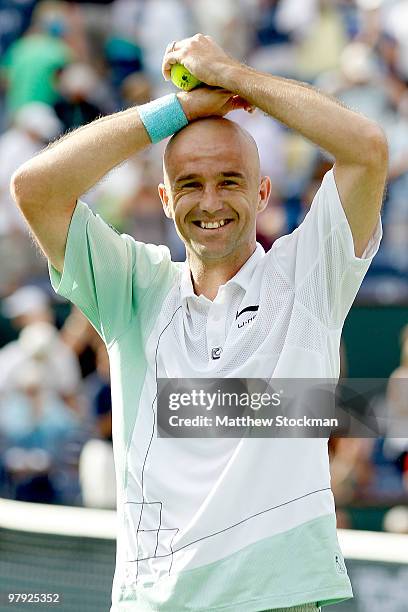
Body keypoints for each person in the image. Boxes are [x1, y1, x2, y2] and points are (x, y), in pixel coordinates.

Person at [11, 33, 387, 612]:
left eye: (230, 181)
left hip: (283, 600)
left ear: (262, 192)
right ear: (164, 199)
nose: (210, 201)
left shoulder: (311, 274)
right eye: (190, 184)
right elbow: (35, 187)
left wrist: (234, 76)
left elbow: (364, 146)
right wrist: (179, 110)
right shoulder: (134, 286)